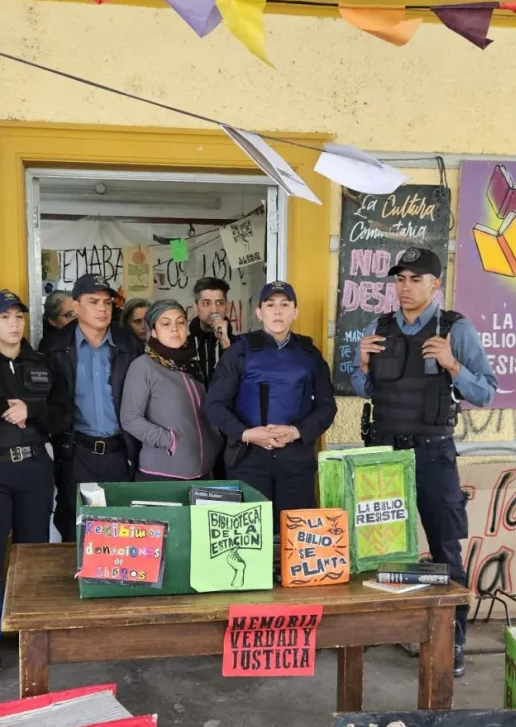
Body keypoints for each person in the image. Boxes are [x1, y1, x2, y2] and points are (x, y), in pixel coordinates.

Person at [349, 247, 497, 679]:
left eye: (416, 279)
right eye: (400, 279)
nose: (406, 287)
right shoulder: (377, 327)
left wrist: (452, 365)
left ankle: (452, 645)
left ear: (435, 284)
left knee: (445, 549)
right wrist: (361, 365)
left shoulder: (456, 329)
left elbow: (486, 392)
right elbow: (367, 389)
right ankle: (389, 629)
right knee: (382, 549)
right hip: (386, 455)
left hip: (432, 453)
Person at [0, 290, 58, 672]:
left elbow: (64, 414)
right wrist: (4, 409)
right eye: (4, 317)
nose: (13, 323)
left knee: (32, 556)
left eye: (18, 316)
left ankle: (28, 637)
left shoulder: (43, 362)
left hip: (35, 467)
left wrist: (32, 409)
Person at [204, 280, 336, 524]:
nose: (277, 311)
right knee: (250, 537)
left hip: (295, 463)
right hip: (248, 460)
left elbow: (327, 407)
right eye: (270, 304)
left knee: (295, 536)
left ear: (295, 311)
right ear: (259, 312)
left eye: (285, 304)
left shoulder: (310, 354)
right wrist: (246, 434)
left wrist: (297, 431)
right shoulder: (239, 351)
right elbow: (214, 404)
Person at [42, 273, 143, 541]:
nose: (102, 308)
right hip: (76, 452)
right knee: (74, 529)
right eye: (93, 301)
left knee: (122, 530)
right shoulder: (55, 346)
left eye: (107, 303)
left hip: (121, 451)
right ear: (76, 306)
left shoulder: (128, 344)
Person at [120, 299, 222, 480]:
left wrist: (214, 439)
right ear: (153, 331)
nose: (175, 328)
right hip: (162, 473)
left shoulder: (191, 365)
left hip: (203, 472)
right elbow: (130, 419)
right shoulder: (143, 366)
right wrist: (169, 441)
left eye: (180, 322)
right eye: (165, 323)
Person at [188, 276, 233, 387]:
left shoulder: (238, 344)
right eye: (206, 303)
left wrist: (225, 341)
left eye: (219, 303)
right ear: (196, 308)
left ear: (227, 307)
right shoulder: (185, 345)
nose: (214, 310)